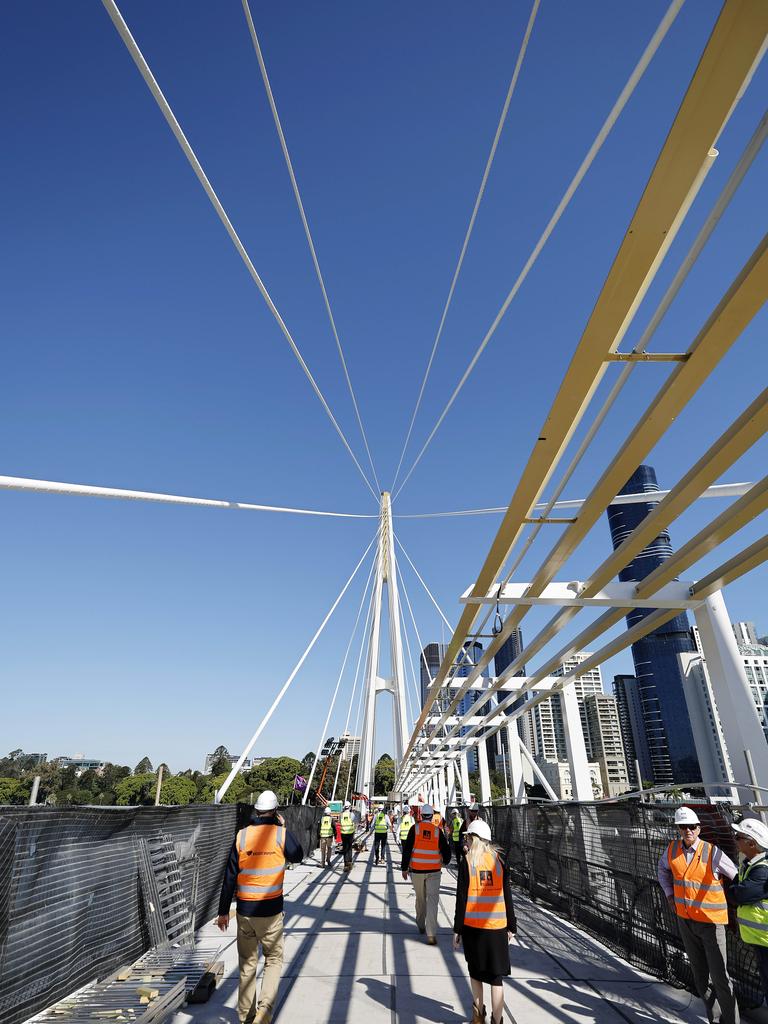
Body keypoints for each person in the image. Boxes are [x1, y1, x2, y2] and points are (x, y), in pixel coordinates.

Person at [217, 790, 304, 1024]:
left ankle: (246, 1016)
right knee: (273, 960)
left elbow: (229, 877)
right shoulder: (280, 834)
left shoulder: (242, 837)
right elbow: (298, 856)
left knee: (247, 965)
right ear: (275, 811)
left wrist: (223, 912)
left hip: (245, 912)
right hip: (271, 912)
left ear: (256, 811)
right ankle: (264, 1014)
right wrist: (284, 828)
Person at [657, 806, 739, 1024]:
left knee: (721, 978)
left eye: (691, 827)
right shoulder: (672, 850)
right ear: (678, 829)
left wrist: (737, 901)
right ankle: (715, 1019)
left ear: (698, 828)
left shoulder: (712, 853)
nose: (688, 831)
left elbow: (736, 877)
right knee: (701, 977)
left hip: (711, 924)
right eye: (683, 827)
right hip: (686, 922)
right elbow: (662, 870)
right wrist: (669, 895)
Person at [453, 819, 516, 1024]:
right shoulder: (499, 861)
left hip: (473, 928)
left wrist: (457, 929)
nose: (467, 841)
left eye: (468, 837)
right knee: (496, 979)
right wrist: (512, 926)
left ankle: (478, 1017)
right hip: (497, 928)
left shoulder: (467, 862)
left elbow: (461, 899)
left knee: (476, 974)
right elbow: (507, 895)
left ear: (474, 838)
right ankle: (497, 1021)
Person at [729, 817, 768, 1004]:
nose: (735, 839)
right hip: (760, 941)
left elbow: (738, 894)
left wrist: (735, 889)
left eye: (738, 837)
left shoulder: (763, 871)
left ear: (751, 843)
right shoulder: (750, 865)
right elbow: (736, 887)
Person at [401, 803, 451, 944]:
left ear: (421, 815)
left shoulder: (414, 829)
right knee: (433, 902)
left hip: (416, 871)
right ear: (432, 816)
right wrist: (444, 862)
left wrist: (404, 868)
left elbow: (407, 851)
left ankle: (421, 925)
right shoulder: (437, 831)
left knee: (421, 899)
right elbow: (447, 851)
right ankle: (431, 934)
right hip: (434, 871)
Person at [340, 800, 356, 872]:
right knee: (349, 848)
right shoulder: (351, 814)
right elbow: (353, 822)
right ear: (349, 807)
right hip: (350, 833)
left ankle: (346, 864)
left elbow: (341, 822)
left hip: (343, 833)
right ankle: (349, 862)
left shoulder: (341, 815)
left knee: (345, 848)